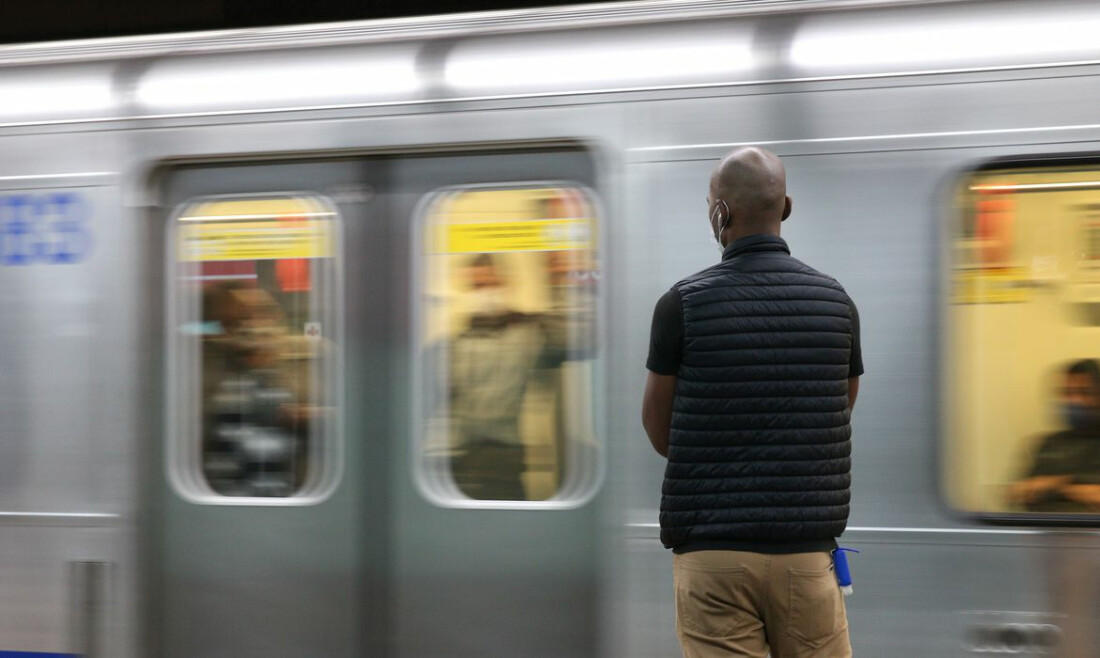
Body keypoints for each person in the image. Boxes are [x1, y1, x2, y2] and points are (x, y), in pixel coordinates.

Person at [642, 147, 863, 658]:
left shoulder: (681, 304)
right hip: (808, 558)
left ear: (719, 212)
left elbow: (660, 430)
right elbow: (840, 405)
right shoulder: (837, 303)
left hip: (712, 558)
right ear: (785, 206)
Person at [1011, 359, 1100, 513]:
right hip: (1045, 533)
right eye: (1067, 393)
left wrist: (1055, 485)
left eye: (1084, 392)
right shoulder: (1049, 443)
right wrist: (1079, 490)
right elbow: (1018, 493)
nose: (1074, 400)